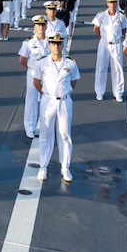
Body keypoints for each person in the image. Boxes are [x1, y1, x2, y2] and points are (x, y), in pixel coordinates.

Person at [31, 33, 80, 183]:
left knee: (64, 134)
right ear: (49, 45)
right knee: (46, 134)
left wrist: (63, 92)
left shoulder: (70, 63)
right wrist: (47, 94)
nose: (56, 46)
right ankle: (43, 166)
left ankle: (65, 168)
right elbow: (36, 82)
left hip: (64, 101)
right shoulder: (42, 63)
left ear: (62, 45)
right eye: (53, 43)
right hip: (48, 100)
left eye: (59, 44)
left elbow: (73, 82)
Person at [92, 0, 127, 102]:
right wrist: (103, 37)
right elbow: (96, 29)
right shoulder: (101, 15)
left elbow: (124, 30)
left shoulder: (121, 16)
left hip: (116, 44)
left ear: (116, 3)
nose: (112, 5)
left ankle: (118, 92)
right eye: (110, 2)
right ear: (107, 3)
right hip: (104, 43)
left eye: (114, 2)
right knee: (101, 68)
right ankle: (99, 92)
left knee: (117, 69)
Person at [18, 16, 49, 139]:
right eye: (38, 25)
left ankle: (46, 126)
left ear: (46, 26)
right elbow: (22, 60)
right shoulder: (29, 43)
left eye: (43, 25)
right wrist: (33, 68)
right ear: (34, 27)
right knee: (31, 100)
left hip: (47, 75)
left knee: (47, 100)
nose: (41, 27)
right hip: (33, 74)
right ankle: (30, 127)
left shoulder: (51, 41)